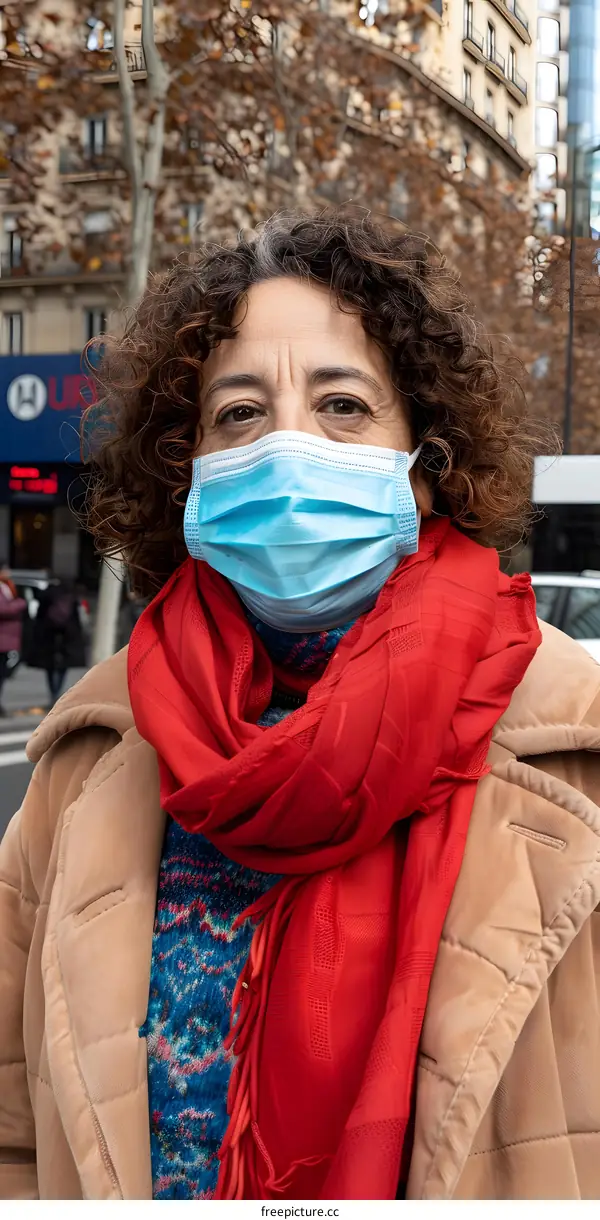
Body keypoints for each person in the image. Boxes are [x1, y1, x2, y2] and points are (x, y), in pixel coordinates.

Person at [1, 211, 599, 1203]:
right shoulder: (82, 762)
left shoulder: (575, 740)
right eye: (238, 412)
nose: (288, 446)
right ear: (184, 467)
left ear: (425, 456)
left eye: (343, 405)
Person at [24, 577, 87, 707]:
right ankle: (57, 693)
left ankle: (53, 693)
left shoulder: (47, 595)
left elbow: (39, 616)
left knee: (50, 667)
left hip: (48, 635)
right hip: (68, 635)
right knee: (63, 666)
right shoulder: (72, 596)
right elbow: (78, 618)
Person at [0, 562, 26, 716]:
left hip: (6, 639)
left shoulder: (8, 587)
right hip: (3, 637)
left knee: (3, 673)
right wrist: (20, 603)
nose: (8, 572)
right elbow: (3, 609)